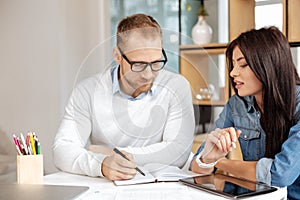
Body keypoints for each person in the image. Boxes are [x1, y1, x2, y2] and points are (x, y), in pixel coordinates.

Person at [53, 13, 195, 181]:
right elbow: (62, 150)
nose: (149, 74)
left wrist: (113, 153)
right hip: (108, 189)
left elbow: (178, 152)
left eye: (156, 63)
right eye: (139, 64)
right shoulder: (87, 91)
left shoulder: (177, 87)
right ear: (117, 56)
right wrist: (102, 164)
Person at [190, 26, 300, 200]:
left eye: (243, 64)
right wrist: (208, 157)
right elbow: (196, 166)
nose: (233, 73)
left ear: (268, 65)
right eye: (233, 65)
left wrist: (220, 162)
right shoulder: (237, 104)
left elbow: (280, 174)